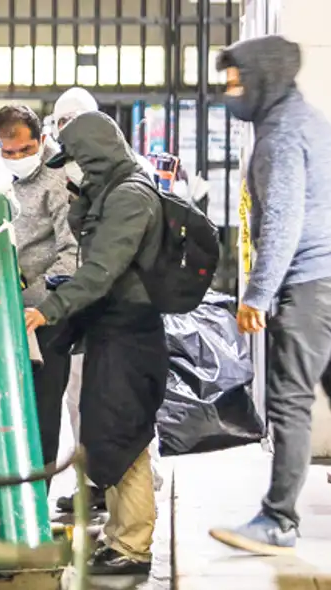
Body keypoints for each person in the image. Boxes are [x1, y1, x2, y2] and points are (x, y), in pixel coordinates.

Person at [27, 111, 166, 575]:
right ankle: (119, 538)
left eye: (80, 162)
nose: (75, 170)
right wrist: (83, 197)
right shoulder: (108, 190)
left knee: (125, 438)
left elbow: (101, 271)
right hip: (112, 328)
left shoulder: (130, 196)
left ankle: (133, 548)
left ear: (96, 153)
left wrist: (48, 309)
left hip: (131, 331)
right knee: (106, 435)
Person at [208, 35, 331, 556]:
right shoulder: (310, 121)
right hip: (326, 276)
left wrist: (257, 295)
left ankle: (279, 518)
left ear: (264, 78)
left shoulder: (280, 133)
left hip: (308, 281)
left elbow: (282, 220)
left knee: (290, 401)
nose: (230, 91)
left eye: (237, 81)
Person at [0, 104, 78, 478]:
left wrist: (37, 298)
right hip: (2, 310)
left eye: (25, 151)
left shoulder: (59, 183)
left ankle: (37, 500)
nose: (16, 159)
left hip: (48, 315)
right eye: (8, 152)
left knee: (42, 410)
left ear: (41, 141)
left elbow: (72, 255)